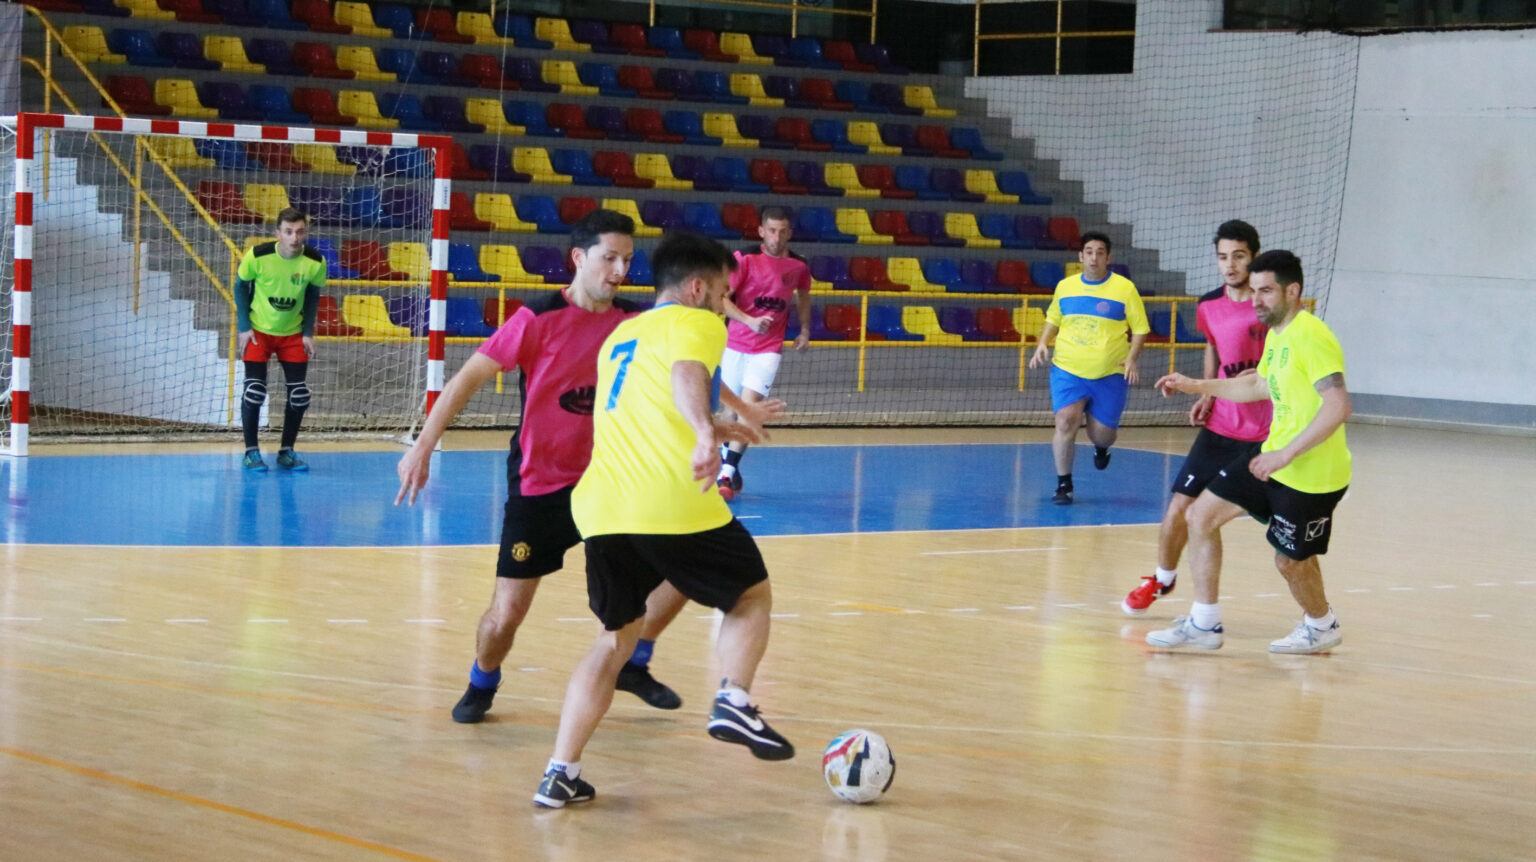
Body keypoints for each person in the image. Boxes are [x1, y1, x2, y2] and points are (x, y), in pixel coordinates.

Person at [534, 232, 794, 810]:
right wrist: (705, 432)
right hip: (667, 500)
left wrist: (716, 424)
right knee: (750, 596)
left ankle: (559, 773)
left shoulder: (622, 335)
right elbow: (686, 376)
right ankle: (734, 699)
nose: (725, 304)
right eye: (723, 293)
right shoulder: (698, 322)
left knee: (612, 642)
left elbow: (649, 406)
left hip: (601, 508)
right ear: (698, 287)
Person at [396, 210, 689, 724]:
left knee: (687, 561)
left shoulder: (635, 323)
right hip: (541, 486)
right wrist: (423, 446)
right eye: (609, 258)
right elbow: (468, 378)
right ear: (578, 258)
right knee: (506, 614)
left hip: (610, 485)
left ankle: (633, 661)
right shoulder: (537, 318)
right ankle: (483, 679)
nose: (620, 270)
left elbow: (679, 378)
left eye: (627, 260)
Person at [1146, 250, 1352, 654]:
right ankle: (1204, 624)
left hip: (1311, 474)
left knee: (1290, 562)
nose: (1256, 300)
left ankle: (1321, 626)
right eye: (1254, 290)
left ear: (1292, 291)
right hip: (1273, 460)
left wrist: (1284, 455)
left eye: (1266, 291)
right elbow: (1258, 385)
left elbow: (1338, 406)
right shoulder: (1277, 334)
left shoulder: (1311, 336)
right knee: (1200, 516)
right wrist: (1196, 385)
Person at [1122, 220, 1270, 614]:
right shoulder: (1208, 305)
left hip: (1265, 433)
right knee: (1178, 508)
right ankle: (1162, 578)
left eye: (1238, 256)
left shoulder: (1268, 307)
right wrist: (1207, 392)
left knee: (1220, 521)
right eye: (1223, 257)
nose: (1230, 265)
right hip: (1221, 426)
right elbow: (1213, 347)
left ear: (1253, 257)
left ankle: (1316, 617)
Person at [1028, 231, 1150, 504]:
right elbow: (1053, 318)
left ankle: (1101, 448)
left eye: (1100, 253)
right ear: (1081, 256)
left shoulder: (1125, 289)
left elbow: (1141, 328)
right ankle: (1064, 485)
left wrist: (1132, 358)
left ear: (1108, 257)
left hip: (1110, 373)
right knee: (1065, 420)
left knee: (1102, 435)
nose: (1094, 258)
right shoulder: (1065, 286)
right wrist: (1043, 343)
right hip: (1068, 369)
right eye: (1089, 252)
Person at [714, 205, 812, 501]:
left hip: (768, 348)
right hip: (734, 343)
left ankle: (726, 472)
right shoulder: (743, 259)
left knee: (749, 406)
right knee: (729, 411)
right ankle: (729, 463)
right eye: (771, 231)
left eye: (782, 231)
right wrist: (749, 321)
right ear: (761, 231)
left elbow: (804, 297)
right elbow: (721, 299)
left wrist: (804, 330)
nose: (776, 237)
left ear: (790, 233)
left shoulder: (799, 266)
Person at [236, 208, 324, 472]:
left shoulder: (315, 262)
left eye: (299, 232)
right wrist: (244, 327)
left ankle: (286, 452)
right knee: (254, 391)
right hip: (259, 332)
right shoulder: (258, 256)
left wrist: (307, 332)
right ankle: (251, 452)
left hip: (292, 334)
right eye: (289, 232)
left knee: (299, 395)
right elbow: (240, 287)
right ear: (278, 233)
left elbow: (312, 297)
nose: (294, 238)